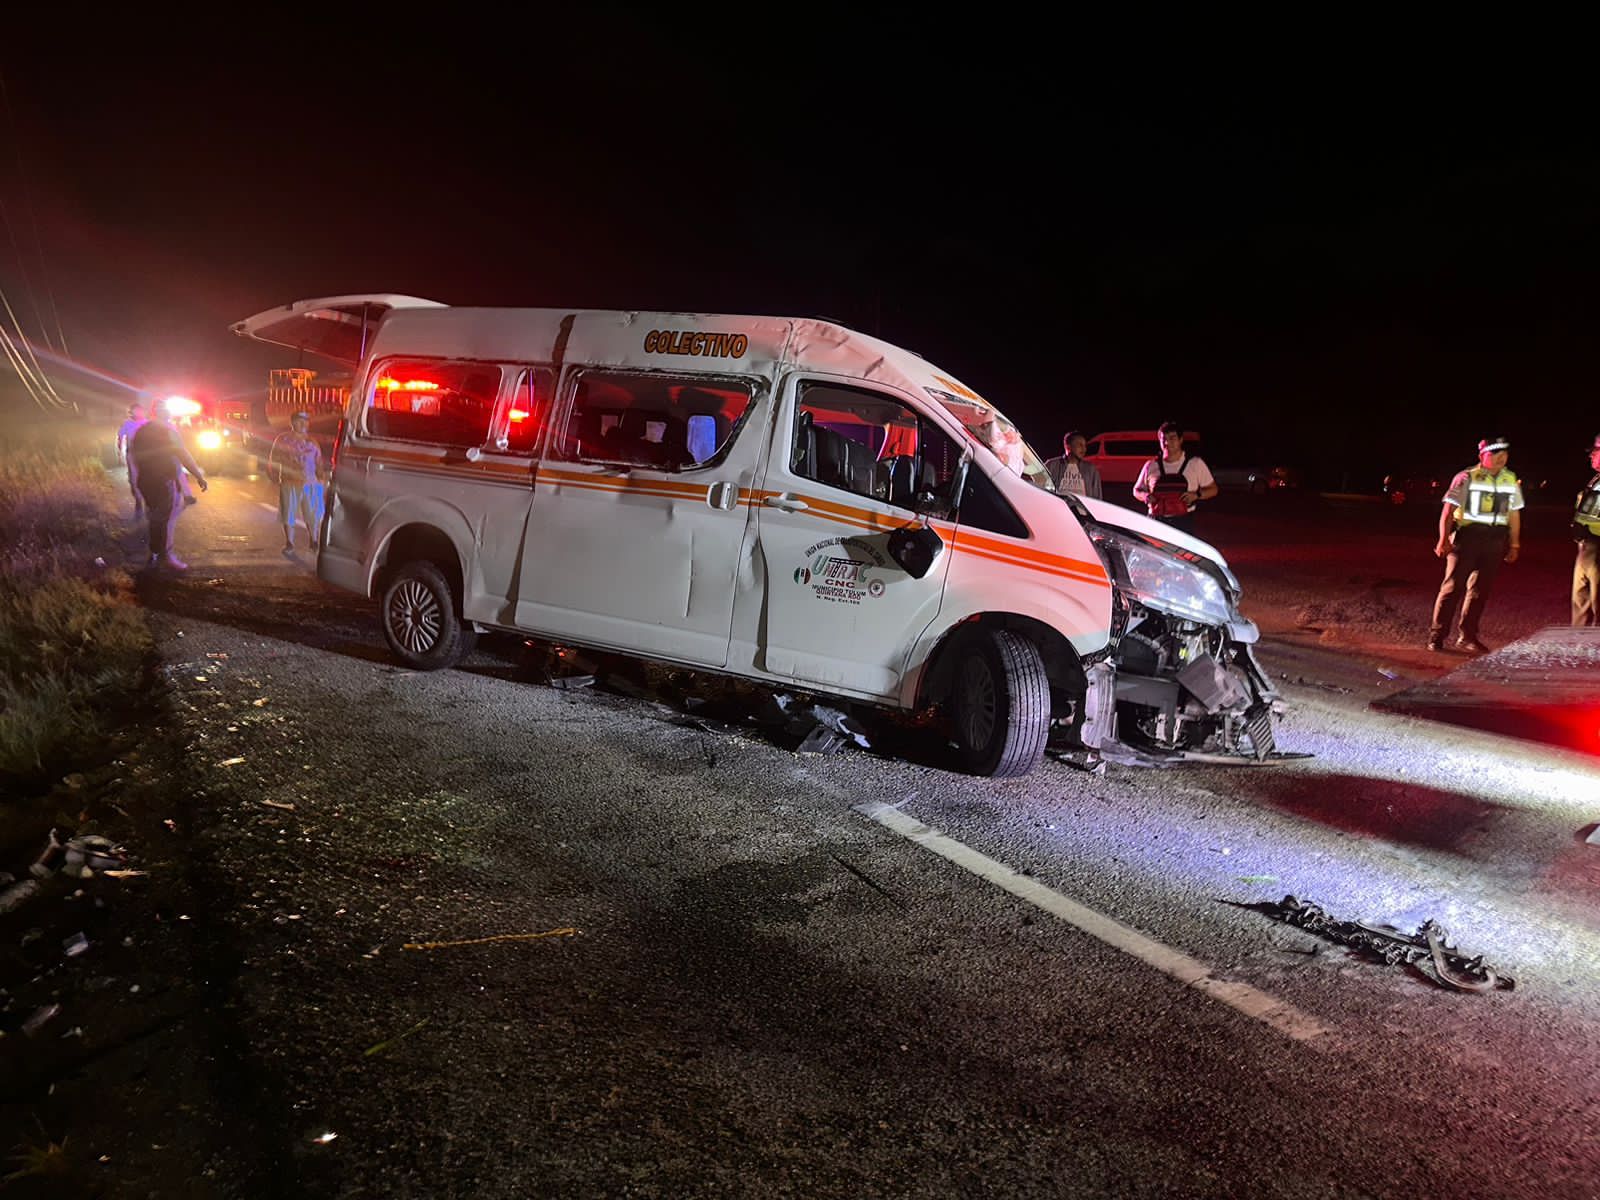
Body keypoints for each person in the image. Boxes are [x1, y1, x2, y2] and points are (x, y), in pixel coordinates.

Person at [1428, 435, 1524, 653]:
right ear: (1482, 456)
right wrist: (1443, 539)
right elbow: (1448, 511)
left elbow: (1514, 514)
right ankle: (1437, 635)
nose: (1501, 457)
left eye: (1504, 453)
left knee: (1480, 591)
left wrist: (1514, 545)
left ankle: (1468, 636)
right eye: (1495, 453)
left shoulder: (1509, 479)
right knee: (1452, 588)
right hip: (1467, 539)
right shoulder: (1466, 477)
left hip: (1495, 541)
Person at [128, 397, 208, 571]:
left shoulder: (142, 431)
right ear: (166, 413)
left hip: (146, 481)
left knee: (155, 517)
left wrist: (136, 480)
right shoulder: (168, 431)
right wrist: (198, 476)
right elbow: (183, 454)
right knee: (164, 519)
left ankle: (154, 555)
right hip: (163, 481)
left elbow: (133, 455)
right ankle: (165, 557)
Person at [1131, 421, 1217, 532]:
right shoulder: (1151, 465)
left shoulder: (1195, 464)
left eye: (1172, 438)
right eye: (1163, 439)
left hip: (1183, 522)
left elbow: (1213, 489)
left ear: (1181, 440)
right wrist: (1145, 496)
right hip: (1156, 522)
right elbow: (1136, 490)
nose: (1167, 442)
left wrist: (1197, 495)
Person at [268, 410, 325, 556]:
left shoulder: (312, 442)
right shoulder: (283, 439)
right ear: (292, 423)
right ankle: (290, 543)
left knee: (312, 514)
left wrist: (321, 478)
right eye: (299, 421)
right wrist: (273, 474)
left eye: (305, 421)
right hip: (289, 481)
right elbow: (273, 458)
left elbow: (319, 461)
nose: (303, 424)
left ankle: (314, 540)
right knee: (288, 513)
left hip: (310, 482)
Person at [1570, 432, 1600, 627]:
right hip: (1587, 545)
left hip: (1597, 545)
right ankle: (1579, 638)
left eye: (1596, 451)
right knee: (1582, 598)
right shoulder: (1596, 479)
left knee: (1596, 599)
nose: (1591, 455)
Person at [1044, 430, 1103, 498]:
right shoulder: (1052, 465)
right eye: (1080, 445)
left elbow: (1097, 497)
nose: (1084, 449)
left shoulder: (1091, 469)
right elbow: (1039, 486)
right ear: (1068, 447)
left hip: (1082, 505)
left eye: (1085, 445)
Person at [116, 403, 147, 517]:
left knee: (147, 478)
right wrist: (119, 451)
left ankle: (148, 502)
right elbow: (120, 437)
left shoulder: (147, 423)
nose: (138, 412)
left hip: (147, 455)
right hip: (132, 454)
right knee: (134, 480)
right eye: (135, 410)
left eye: (140, 410)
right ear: (131, 412)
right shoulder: (127, 424)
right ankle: (138, 502)